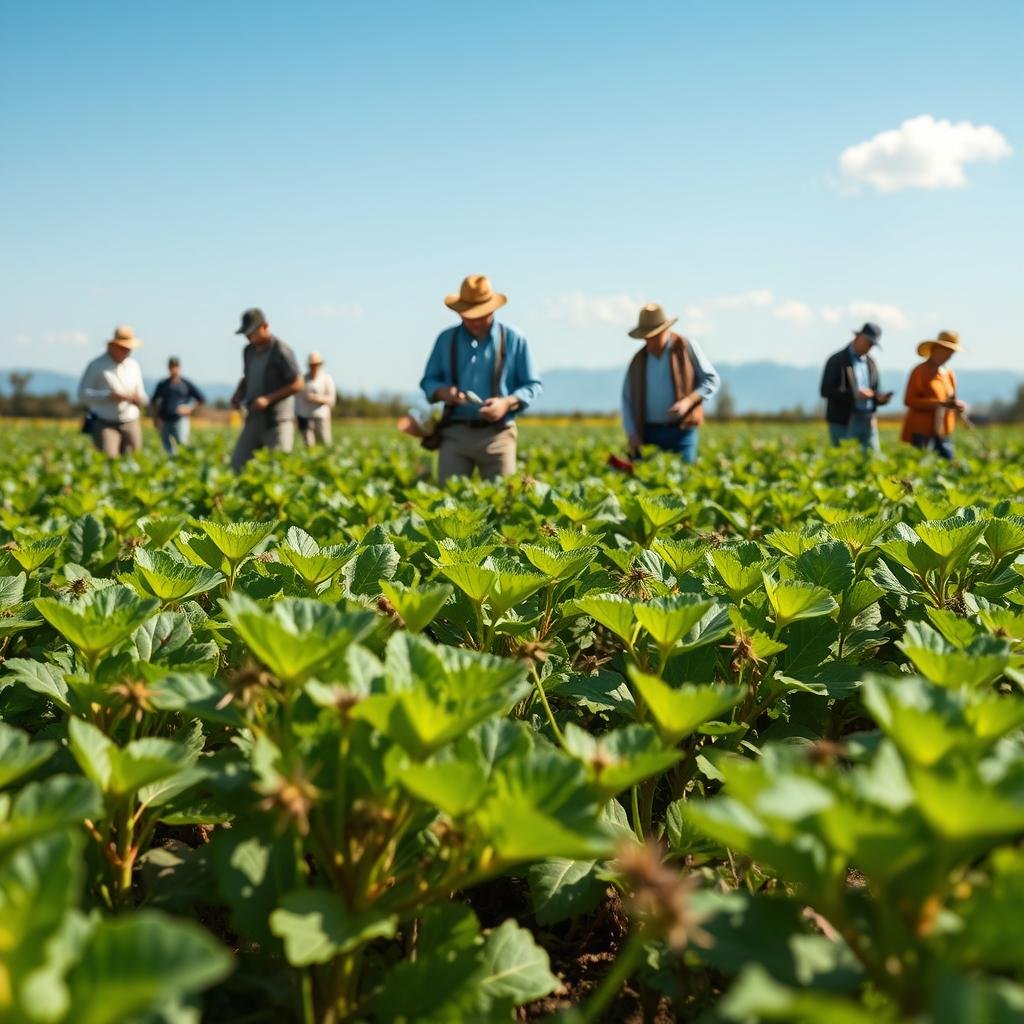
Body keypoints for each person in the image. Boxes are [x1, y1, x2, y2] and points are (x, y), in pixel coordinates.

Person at [419, 274, 542, 484]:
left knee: (503, 502)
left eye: (481, 314)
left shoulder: (514, 338)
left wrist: (506, 403)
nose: (474, 320)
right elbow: (428, 381)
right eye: (468, 315)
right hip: (454, 432)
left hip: (499, 434)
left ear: (493, 309)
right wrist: (443, 392)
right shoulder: (446, 339)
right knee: (448, 505)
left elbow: (532, 385)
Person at [621, 303, 720, 463]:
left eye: (653, 335)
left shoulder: (685, 347)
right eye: (646, 336)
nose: (649, 341)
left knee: (685, 479)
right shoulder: (638, 360)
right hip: (648, 433)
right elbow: (627, 401)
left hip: (682, 432)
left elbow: (711, 379)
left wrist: (688, 401)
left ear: (664, 330)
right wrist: (632, 434)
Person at [229, 308, 303, 473]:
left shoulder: (281, 350)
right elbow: (247, 377)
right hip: (254, 418)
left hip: (278, 421)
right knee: (237, 465)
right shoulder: (248, 351)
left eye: (251, 333)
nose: (248, 338)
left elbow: (298, 383)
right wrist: (238, 393)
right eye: (246, 334)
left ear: (265, 327)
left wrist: (268, 399)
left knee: (278, 469)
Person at [77, 325, 148, 457]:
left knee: (135, 459)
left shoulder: (134, 365)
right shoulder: (96, 365)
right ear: (113, 346)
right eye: (124, 348)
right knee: (110, 461)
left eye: (129, 349)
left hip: (130, 421)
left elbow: (143, 396)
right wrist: (108, 396)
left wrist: (138, 399)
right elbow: (82, 394)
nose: (127, 352)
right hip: (104, 423)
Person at [820, 322, 892, 451]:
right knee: (844, 460)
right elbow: (826, 390)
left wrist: (879, 398)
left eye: (872, 344)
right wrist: (855, 395)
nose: (869, 347)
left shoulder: (871, 363)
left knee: (872, 458)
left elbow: (875, 390)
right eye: (868, 342)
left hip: (867, 419)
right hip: (844, 420)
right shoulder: (837, 360)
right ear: (858, 337)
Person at [901, 330, 966, 460]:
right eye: (948, 350)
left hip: (943, 430)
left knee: (948, 462)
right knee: (920, 467)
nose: (950, 355)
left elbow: (952, 399)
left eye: (952, 352)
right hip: (921, 431)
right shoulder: (920, 371)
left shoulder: (948, 374)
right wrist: (938, 403)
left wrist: (957, 406)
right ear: (937, 349)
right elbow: (909, 400)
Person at [151, 357, 206, 454]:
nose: (173, 369)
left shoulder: (186, 384)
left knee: (182, 443)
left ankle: (185, 463)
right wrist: (156, 418)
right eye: (171, 367)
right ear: (168, 368)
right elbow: (154, 402)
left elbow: (201, 399)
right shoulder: (163, 384)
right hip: (164, 420)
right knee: (167, 448)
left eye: (175, 366)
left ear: (180, 367)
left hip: (180, 419)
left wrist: (190, 408)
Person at [295, 351, 337, 446]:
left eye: (316, 364)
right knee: (309, 444)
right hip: (305, 416)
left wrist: (317, 398)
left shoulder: (326, 379)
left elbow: (332, 400)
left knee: (324, 442)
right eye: (312, 364)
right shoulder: (303, 379)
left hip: (321, 416)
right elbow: (297, 399)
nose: (314, 367)